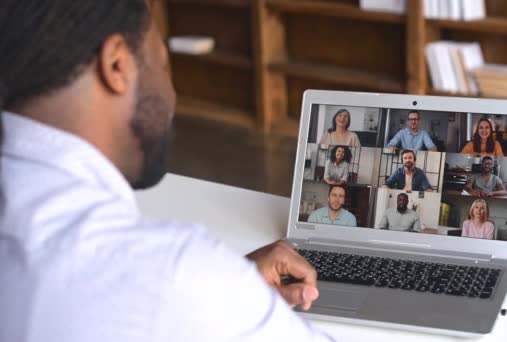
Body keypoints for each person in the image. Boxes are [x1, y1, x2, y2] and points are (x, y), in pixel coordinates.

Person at [0, 2, 333, 341]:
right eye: (162, 65)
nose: (171, 95)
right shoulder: (170, 273)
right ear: (116, 64)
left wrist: (228, 288)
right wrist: (220, 287)